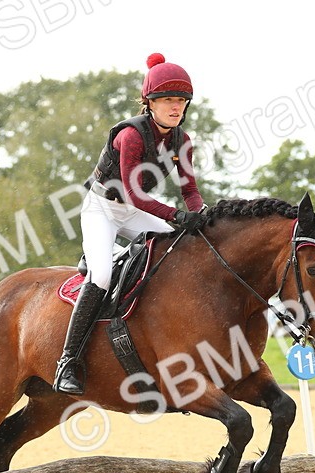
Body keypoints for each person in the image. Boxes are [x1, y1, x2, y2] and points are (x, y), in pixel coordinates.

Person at [53, 52, 208, 395]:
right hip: (102, 210)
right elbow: (136, 195)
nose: (175, 107)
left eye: (181, 101)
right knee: (103, 275)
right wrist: (176, 215)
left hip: (134, 212)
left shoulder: (182, 141)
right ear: (149, 103)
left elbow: (190, 190)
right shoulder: (131, 137)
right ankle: (68, 361)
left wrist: (201, 215)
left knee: (181, 246)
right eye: (167, 100)